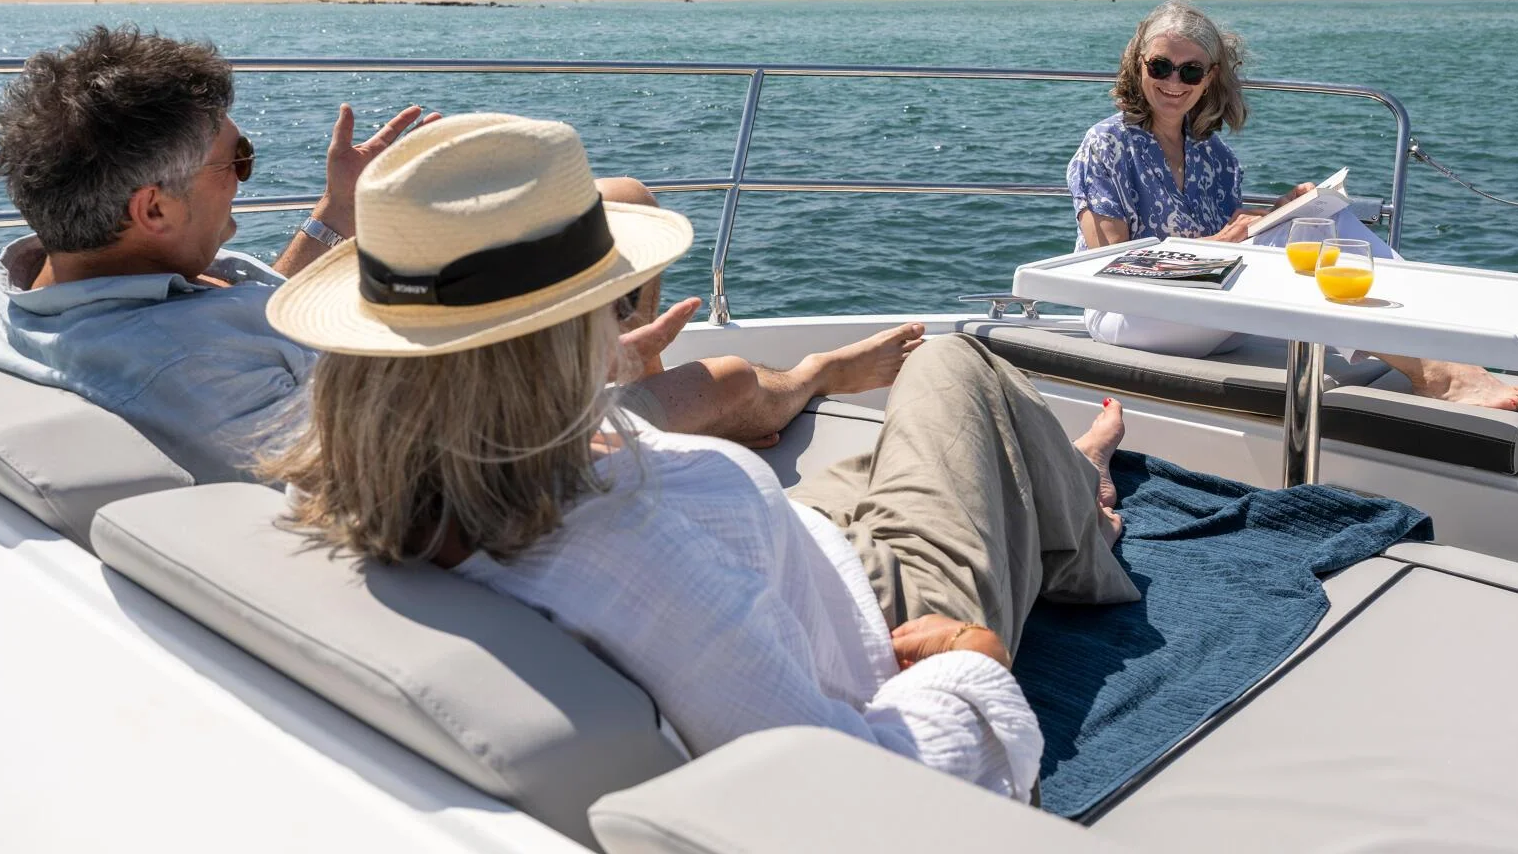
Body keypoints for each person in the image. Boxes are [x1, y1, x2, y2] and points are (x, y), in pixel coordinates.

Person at [261, 113, 1138, 799]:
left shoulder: (374, 500)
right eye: (610, 304)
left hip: (794, 551)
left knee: (889, 456)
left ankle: (1050, 494)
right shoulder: (634, 562)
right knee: (954, 365)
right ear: (560, 339)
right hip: (889, 626)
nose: (620, 318)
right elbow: (860, 787)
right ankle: (1081, 517)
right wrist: (974, 659)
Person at [0, 25, 920, 482]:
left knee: (621, 202)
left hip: (387, 385)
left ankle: (646, 374)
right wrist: (579, 377)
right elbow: (392, 474)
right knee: (731, 376)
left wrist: (333, 220)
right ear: (153, 205)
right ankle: (807, 382)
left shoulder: (29, 287)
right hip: (466, 441)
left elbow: (244, 317)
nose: (246, 177)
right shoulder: (189, 379)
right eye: (234, 162)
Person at [1067, 2, 1518, 410]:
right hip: (1128, 313)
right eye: (1160, 67)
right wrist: (1217, 244)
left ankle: (1442, 342)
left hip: (1206, 308)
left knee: (1319, 221)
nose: (1175, 81)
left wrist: (1281, 214)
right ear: (1138, 66)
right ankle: (1439, 373)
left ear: (1209, 78)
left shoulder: (1216, 156)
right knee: (1294, 243)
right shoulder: (1108, 144)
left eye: (1190, 71)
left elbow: (1232, 241)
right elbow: (1105, 265)